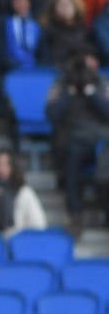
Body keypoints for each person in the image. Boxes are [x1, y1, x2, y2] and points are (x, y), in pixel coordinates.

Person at [45, 57, 109, 236]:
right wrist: (70, 93)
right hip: (72, 139)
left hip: (101, 140)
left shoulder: (102, 84)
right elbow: (51, 114)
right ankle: (75, 215)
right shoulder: (62, 84)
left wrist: (91, 93)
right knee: (71, 159)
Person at [0, 148, 48, 237]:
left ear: (13, 167)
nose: (1, 169)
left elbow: (38, 225)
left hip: (17, 243)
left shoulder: (25, 192)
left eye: (5, 165)